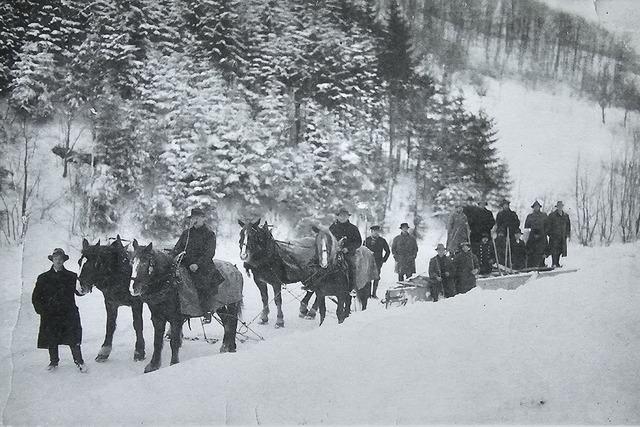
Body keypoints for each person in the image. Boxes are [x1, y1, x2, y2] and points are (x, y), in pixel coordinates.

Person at [32, 248, 87, 373]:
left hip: (69, 313)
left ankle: (79, 361)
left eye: (60, 259)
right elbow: (36, 297)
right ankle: (54, 362)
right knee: (52, 338)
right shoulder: (43, 278)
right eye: (56, 259)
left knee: (73, 339)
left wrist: (83, 290)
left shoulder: (72, 276)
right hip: (51, 314)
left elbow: (79, 292)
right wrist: (42, 311)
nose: (58, 261)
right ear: (52, 260)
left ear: (63, 260)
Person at [173, 207, 224, 323]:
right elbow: (177, 248)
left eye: (197, 218)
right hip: (185, 264)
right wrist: (173, 256)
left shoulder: (209, 234)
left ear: (203, 219)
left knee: (203, 283)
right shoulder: (186, 233)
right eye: (192, 218)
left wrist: (197, 264)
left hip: (202, 266)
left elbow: (209, 253)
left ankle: (206, 311)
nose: (194, 220)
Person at [329, 208, 362, 289]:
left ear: (348, 217)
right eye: (340, 215)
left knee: (351, 266)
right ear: (337, 217)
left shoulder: (353, 228)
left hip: (348, 253)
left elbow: (358, 242)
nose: (342, 217)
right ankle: (315, 287)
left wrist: (348, 248)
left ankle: (351, 288)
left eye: (345, 216)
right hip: (333, 252)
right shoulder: (332, 227)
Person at [363, 225, 390, 299]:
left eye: (377, 231)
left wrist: (383, 260)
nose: (376, 233)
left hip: (378, 262)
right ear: (371, 232)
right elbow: (362, 251)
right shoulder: (366, 240)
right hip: (368, 261)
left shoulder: (382, 240)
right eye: (374, 231)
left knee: (376, 277)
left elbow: (388, 251)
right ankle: (368, 294)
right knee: (368, 278)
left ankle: (374, 294)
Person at [546, 201, 571, 268]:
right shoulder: (552, 215)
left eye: (561, 206)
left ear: (562, 207)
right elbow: (548, 226)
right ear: (556, 207)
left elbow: (568, 226)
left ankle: (557, 263)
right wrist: (550, 234)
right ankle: (554, 263)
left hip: (562, 237)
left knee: (560, 250)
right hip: (554, 237)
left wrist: (567, 234)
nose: (560, 207)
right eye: (558, 206)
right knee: (554, 251)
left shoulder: (566, 216)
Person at [524, 200, 548, 268]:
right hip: (532, 237)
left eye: (537, 207)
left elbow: (548, 226)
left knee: (541, 250)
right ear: (533, 208)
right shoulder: (530, 216)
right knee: (532, 250)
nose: (536, 208)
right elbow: (526, 227)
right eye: (535, 207)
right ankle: (531, 265)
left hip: (542, 237)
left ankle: (541, 264)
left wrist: (544, 233)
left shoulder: (544, 215)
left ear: (539, 207)